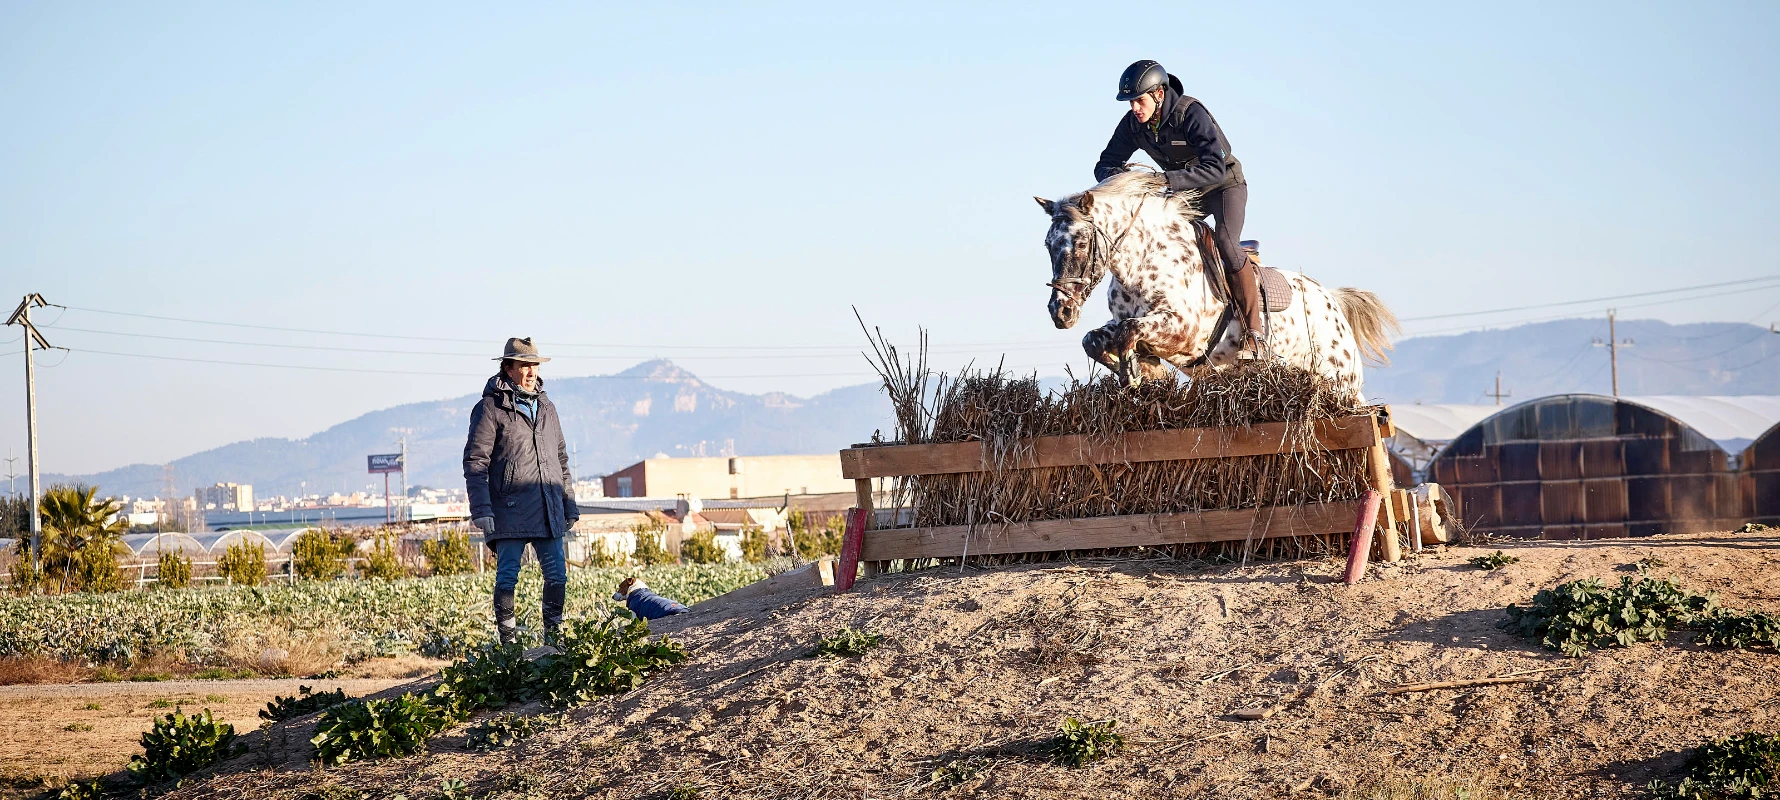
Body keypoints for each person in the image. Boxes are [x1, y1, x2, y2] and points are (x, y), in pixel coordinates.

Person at [1093, 59, 1264, 355]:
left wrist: (1163, 180)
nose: (1134, 107)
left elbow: (1215, 168)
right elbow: (1104, 164)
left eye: (1139, 100)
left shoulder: (1191, 113)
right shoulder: (1134, 123)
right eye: (1130, 102)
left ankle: (1254, 333)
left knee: (1225, 242)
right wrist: (1126, 181)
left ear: (1159, 94)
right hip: (1183, 193)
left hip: (1223, 185)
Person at [463, 337, 580, 645]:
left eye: (534, 365)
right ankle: (509, 647)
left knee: (557, 576)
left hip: (547, 506)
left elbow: (561, 459)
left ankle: (553, 643)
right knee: (507, 578)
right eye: (524, 365)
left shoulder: (547, 407)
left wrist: (568, 503)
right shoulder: (490, 408)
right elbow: (475, 462)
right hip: (509, 509)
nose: (531, 371)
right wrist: (482, 510)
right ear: (508, 368)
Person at [613, 577, 689, 620]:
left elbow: (635, 624)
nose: (619, 592)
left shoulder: (634, 604)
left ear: (630, 584)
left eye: (621, 588)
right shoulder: (646, 596)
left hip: (670, 613)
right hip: (681, 608)